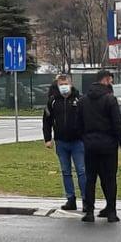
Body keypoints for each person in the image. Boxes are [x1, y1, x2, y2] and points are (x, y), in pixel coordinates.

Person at [78, 70, 121, 223]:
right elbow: (117, 123)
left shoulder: (83, 100)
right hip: (108, 144)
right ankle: (111, 211)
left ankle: (89, 211)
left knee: (90, 179)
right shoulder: (110, 99)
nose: (111, 83)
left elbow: (79, 123)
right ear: (106, 80)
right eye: (111, 80)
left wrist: (85, 139)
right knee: (109, 178)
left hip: (90, 145)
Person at [43, 74, 86, 211]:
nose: (63, 87)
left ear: (71, 84)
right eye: (60, 85)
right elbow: (47, 120)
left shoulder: (80, 100)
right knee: (65, 172)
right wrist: (47, 138)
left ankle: (86, 200)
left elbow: (87, 119)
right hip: (61, 142)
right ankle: (70, 199)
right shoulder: (53, 101)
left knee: (81, 171)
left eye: (65, 84)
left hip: (78, 142)